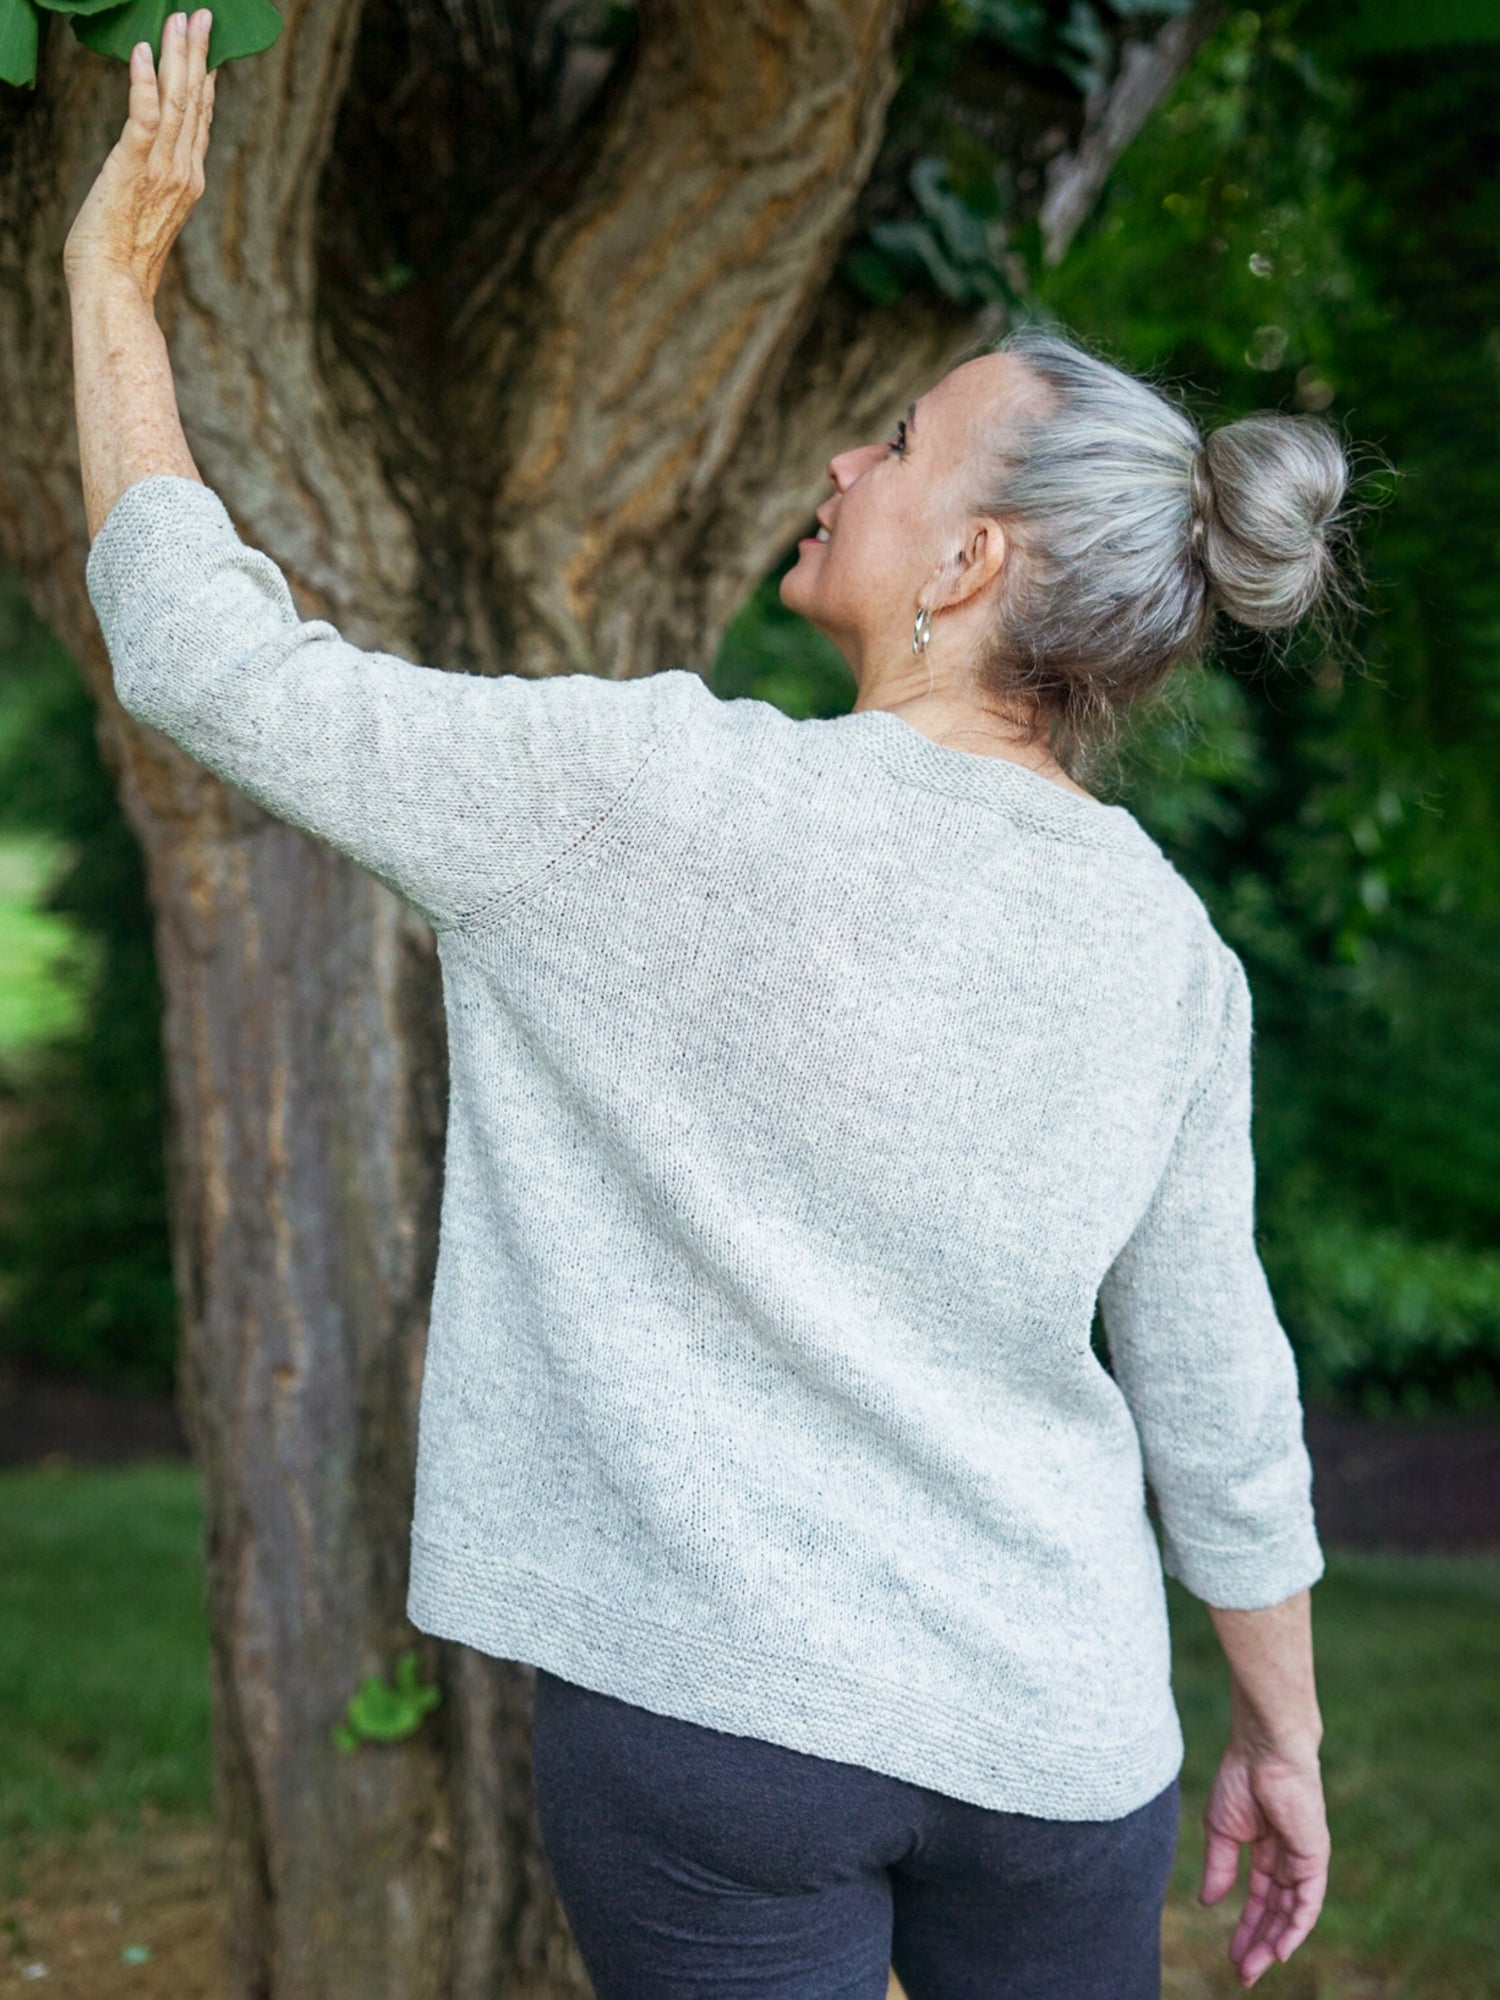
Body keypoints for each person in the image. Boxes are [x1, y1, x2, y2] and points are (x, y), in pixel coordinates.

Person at [66, 17, 1337, 1998]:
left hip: (720, 1731)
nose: (843, 458)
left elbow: (208, 664)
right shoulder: (1171, 952)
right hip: (1068, 1743)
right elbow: (1217, 1383)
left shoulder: (643, 797)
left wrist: (110, 288)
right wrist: (1287, 1728)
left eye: (898, 445)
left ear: (973, 563)